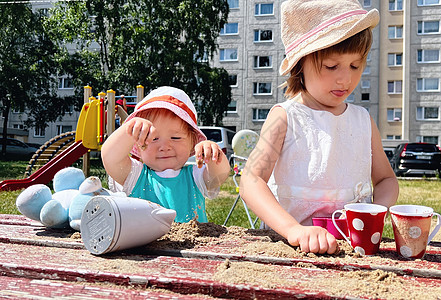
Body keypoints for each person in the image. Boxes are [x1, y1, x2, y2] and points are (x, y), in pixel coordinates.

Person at [239, 0, 399, 255]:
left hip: (353, 250)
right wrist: (294, 230)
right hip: (291, 249)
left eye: (355, 65)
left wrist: (375, 212)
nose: (345, 78)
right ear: (301, 63)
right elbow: (251, 180)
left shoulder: (362, 121)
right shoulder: (286, 117)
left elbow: (387, 180)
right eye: (332, 66)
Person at [102, 86, 230, 223]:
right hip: (145, 244)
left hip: (193, 243)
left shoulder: (194, 177)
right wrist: (130, 129)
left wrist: (213, 156)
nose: (164, 147)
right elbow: (111, 158)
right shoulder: (136, 176)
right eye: (153, 139)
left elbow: (218, 177)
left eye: (175, 138)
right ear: (138, 147)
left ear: (192, 142)